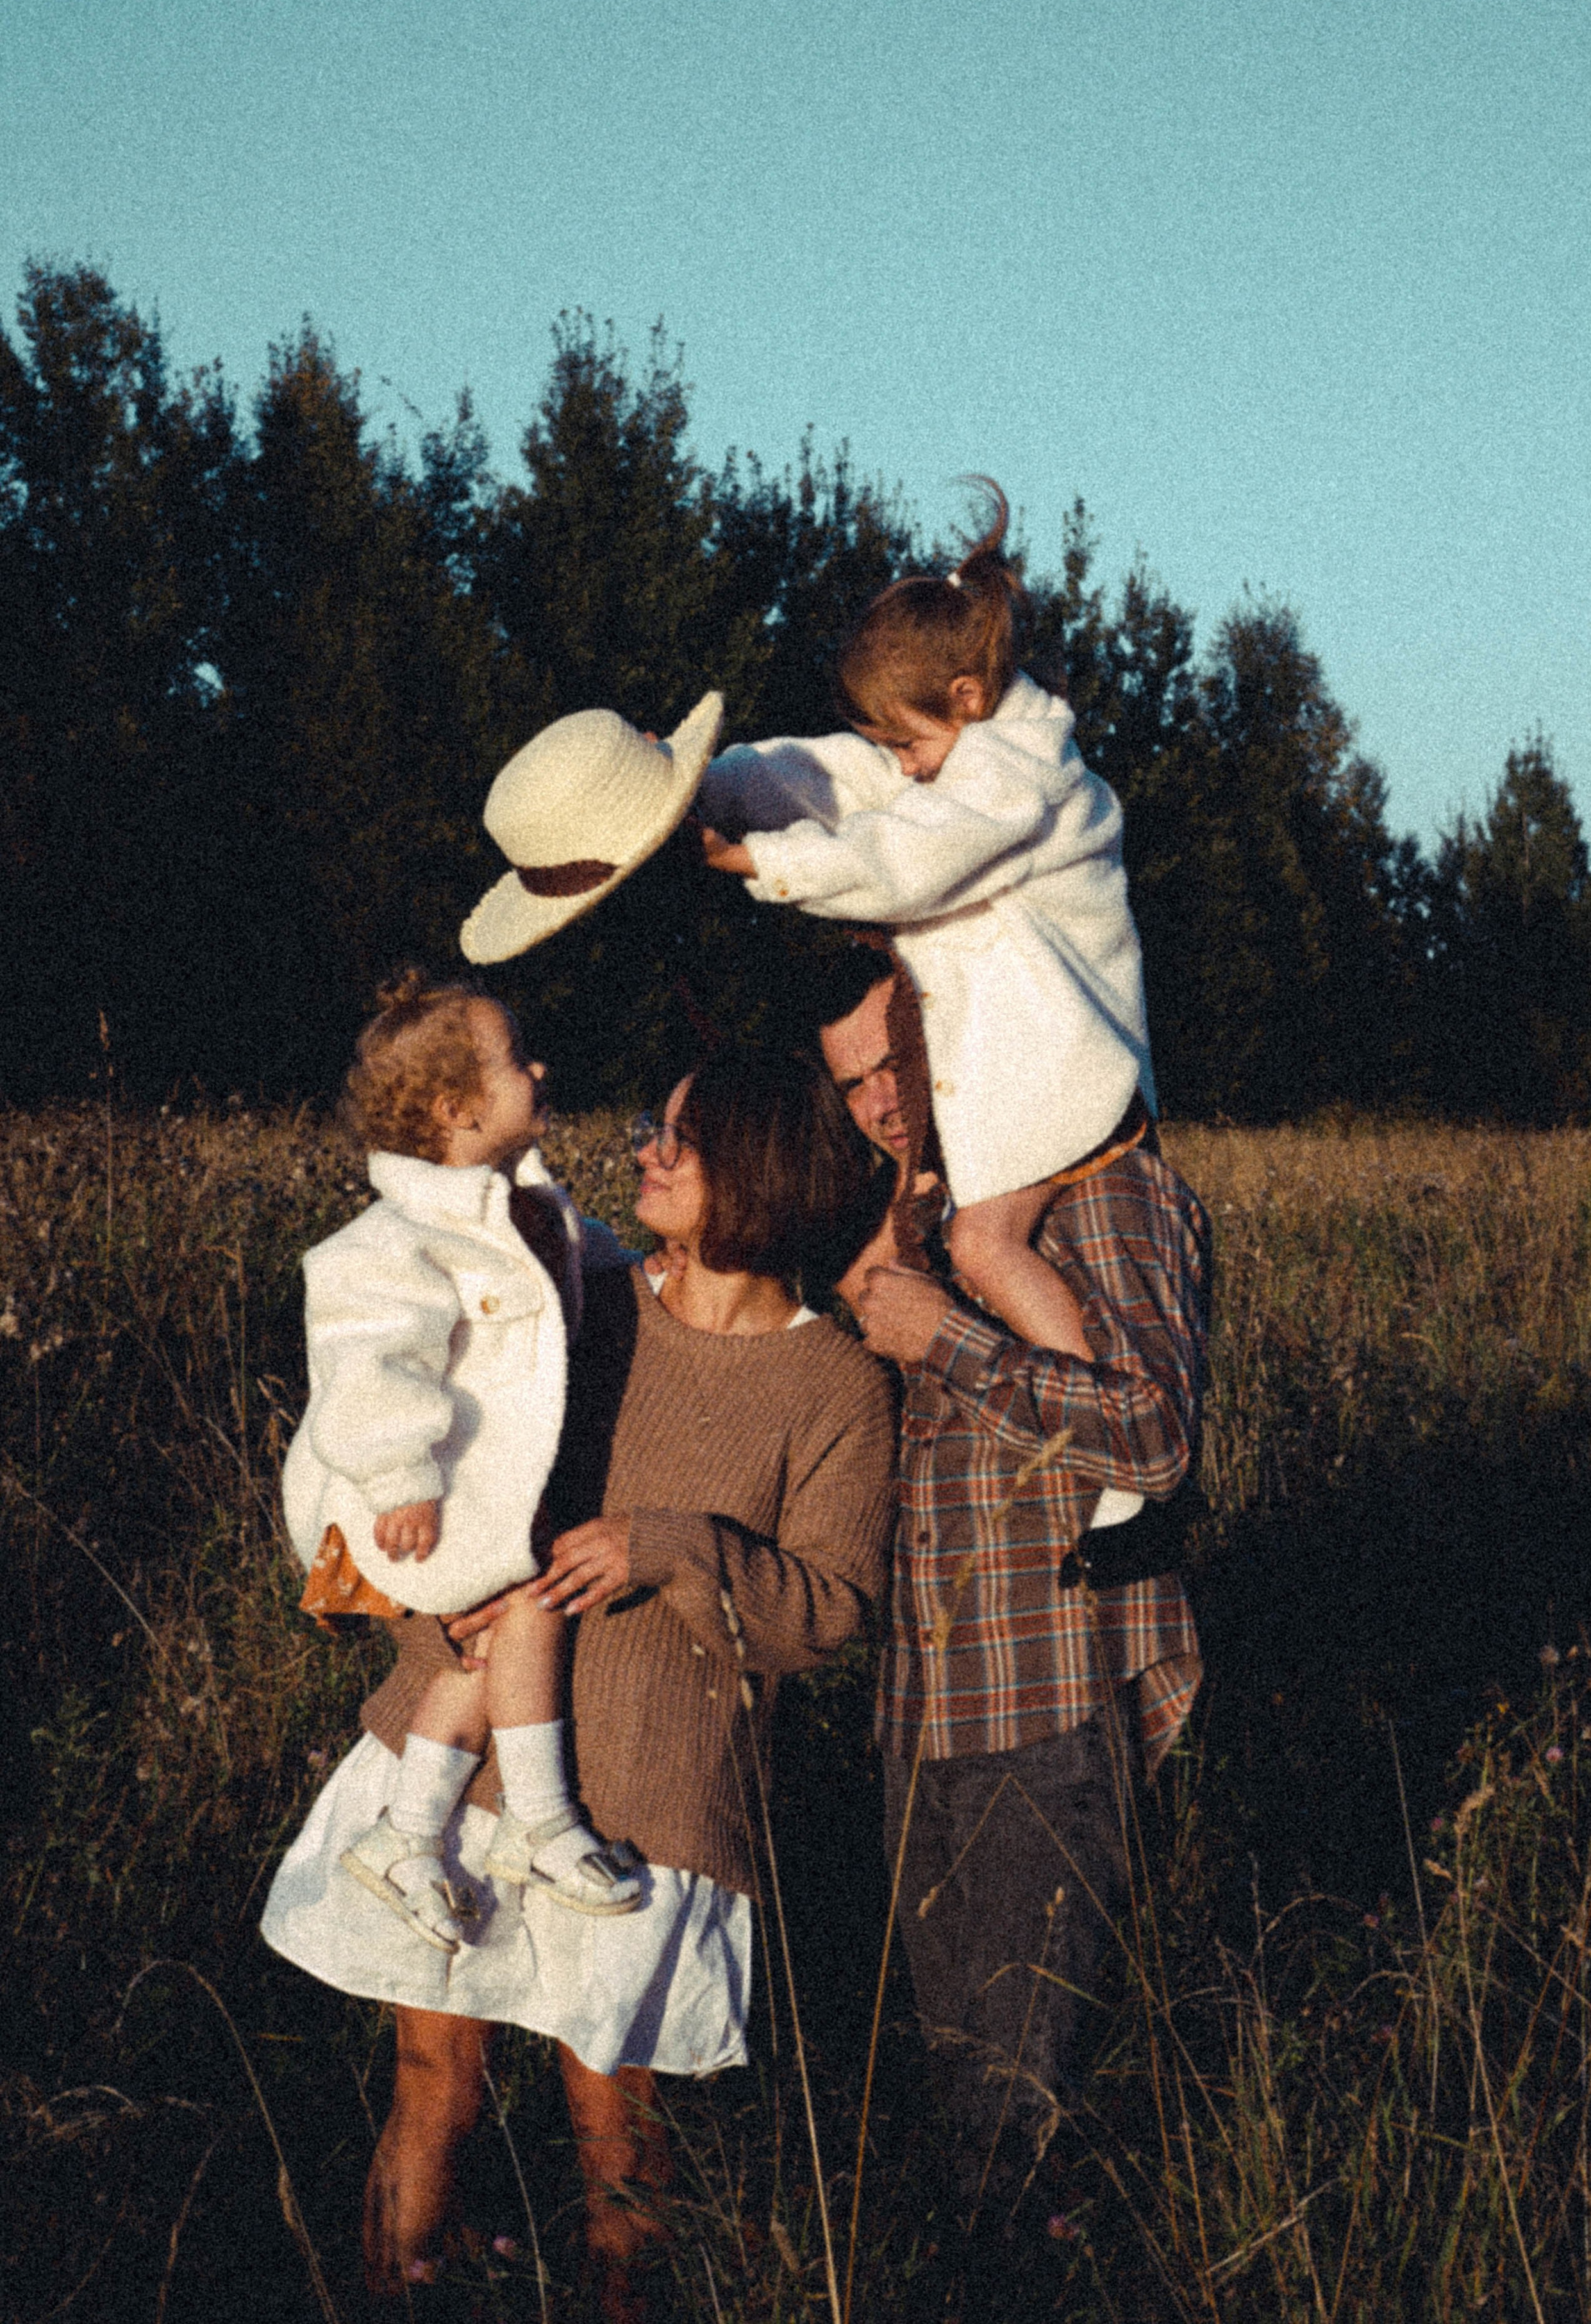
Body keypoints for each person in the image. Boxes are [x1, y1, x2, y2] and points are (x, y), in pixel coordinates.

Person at [262, 1046, 895, 2319]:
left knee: (620, 2144)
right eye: (656, 1131)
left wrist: (666, 1548)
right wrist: (413, 1608)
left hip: (650, 1815)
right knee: (434, 2087)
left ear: (761, 1171)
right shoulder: (578, 1301)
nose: (646, 1152)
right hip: (461, 1772)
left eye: (681, 1137)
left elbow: (825, 1615)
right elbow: (423, 1452)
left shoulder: (837, 1384)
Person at [813, 944, 1208, 2294]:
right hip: (922, 1715)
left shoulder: (1101, 1194)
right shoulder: (919, 1216)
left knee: (1020, 2121)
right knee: (956, 2090)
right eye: (850, 1083)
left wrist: (944, 1337)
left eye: (892, 1063)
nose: (876, 1103)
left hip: (1043, 1710)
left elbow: (1155, 1437)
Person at [698, 480, 1154, 1364]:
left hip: (1068, 1076)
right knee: (972, 1243)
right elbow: (835, 779)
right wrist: (707, 788)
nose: (901, 770)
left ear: (967, 695)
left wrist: (754, 860)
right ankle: (1074, 1397)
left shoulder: (1018, 782)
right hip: (1028, 1073)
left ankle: (1084, 1401)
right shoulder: (961, 754)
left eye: (906, 745)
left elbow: (904, 861)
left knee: (983, 1245)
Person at [281, 971, 639, 1935]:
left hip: (462, 1488)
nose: (540, 1067)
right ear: (457, 1109)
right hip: (387, 1495)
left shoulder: (518, 1207)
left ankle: (405, 1835)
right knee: (528, 1599)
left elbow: (579, 1260)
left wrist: (637, 1268)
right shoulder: (394, 1239)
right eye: (518, 1059)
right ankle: (541, 1817)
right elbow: (366, 1363)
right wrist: (401, 1478)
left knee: (479, 1657)